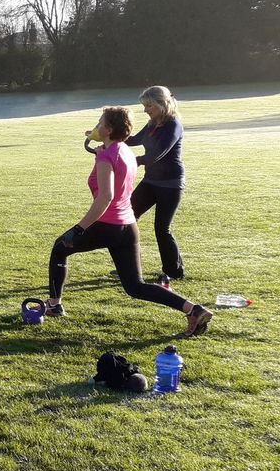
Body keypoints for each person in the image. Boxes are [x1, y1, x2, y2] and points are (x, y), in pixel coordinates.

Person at [46, 106, 212, 337]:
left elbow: (106, 197)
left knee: (59, 248)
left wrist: (79, 228)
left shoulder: (107, 155)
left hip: (108, 224)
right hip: (128, 226)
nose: (97, 125)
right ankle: (193, 309)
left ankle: (54, 305)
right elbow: (116, 166)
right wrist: (101, 151)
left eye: (100, 121)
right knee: (135, 287)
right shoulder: (123, 151)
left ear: (109, 129)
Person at [125, 85, 186, 286]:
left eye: (149, 106)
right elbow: (133, 140)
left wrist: (136, 160)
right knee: (126, 218)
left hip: (170, 184)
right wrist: (107, 135)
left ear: (162, 103)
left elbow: (158, 153)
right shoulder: (153, 123)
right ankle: (128, 267)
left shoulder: (173, 125)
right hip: (151, 181)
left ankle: (174, 271)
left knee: (162, 228)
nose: (145, 110)